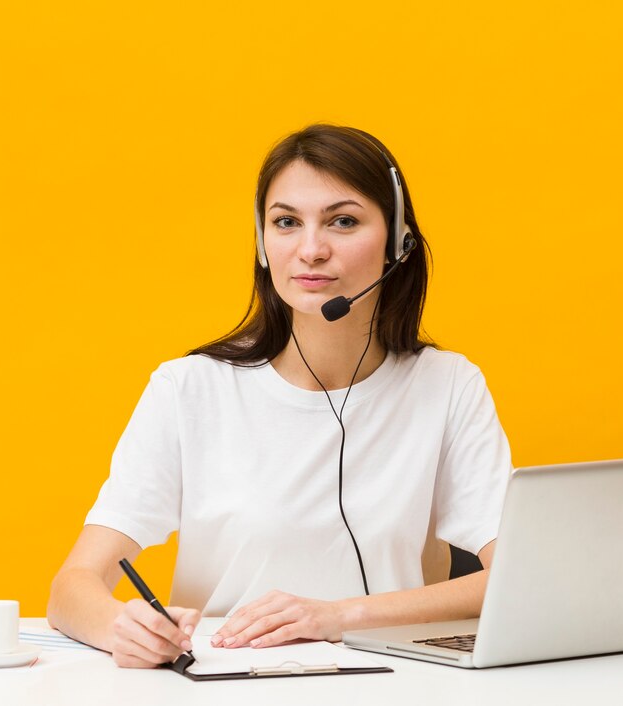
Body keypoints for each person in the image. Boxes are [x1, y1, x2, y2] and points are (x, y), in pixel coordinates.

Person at [47, 124, 513, 668]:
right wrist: (122, 628)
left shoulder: (448, 384)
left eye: (343, 221)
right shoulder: (190, 388)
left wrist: (337, 617)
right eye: (286, 222)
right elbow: (70, 589)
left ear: (399, 241)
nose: (310, 250)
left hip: (394, 685)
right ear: (263, 244)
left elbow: (513, 575)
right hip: (230, 682)